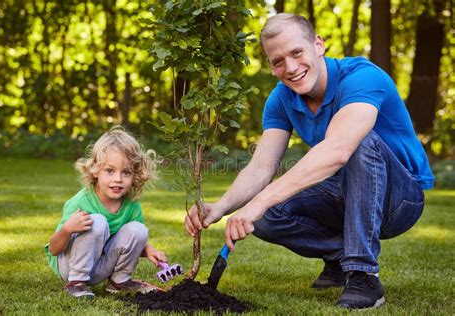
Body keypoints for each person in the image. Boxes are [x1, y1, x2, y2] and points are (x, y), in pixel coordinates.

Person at [184, 13, 434, 310]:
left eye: (296, 52)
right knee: (264, 217)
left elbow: (339, 149)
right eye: (278, 61)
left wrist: (259, 201)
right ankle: (340, 259)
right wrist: (222, 207)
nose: (290, 67)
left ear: (318, 44)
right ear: (271, 66)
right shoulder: (280, 100)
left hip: (400, 200)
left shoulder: (362, 77)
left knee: (358, 140)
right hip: (344, 191)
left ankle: (363, 273)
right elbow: (262, 166)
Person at [45, 126, 167, 298]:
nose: (118, 179)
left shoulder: (131, 205)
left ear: (135, 176)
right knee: (98, 222)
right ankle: (76, 284)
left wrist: (149, 251)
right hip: (71, 267)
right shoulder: (80, 202)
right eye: (110, 171)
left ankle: (119, 282)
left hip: (99, 266)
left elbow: (131, 242)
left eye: (126, 172)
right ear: (96, 171)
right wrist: (67, 229)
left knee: (139, 230)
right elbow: (54, 249)